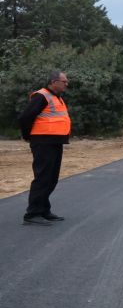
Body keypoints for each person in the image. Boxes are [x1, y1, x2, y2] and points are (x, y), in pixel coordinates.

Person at [17, 70, 72, 226]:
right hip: (43, 143)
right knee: (43, 178)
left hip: (55, 142)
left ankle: (43, 210)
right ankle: (32, 213)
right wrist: (28, 136)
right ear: (53, 82)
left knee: (51, 178)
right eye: (64, 81)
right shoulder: (42, 96)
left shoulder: (56, 97)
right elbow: (25, 117)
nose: (66, 84)